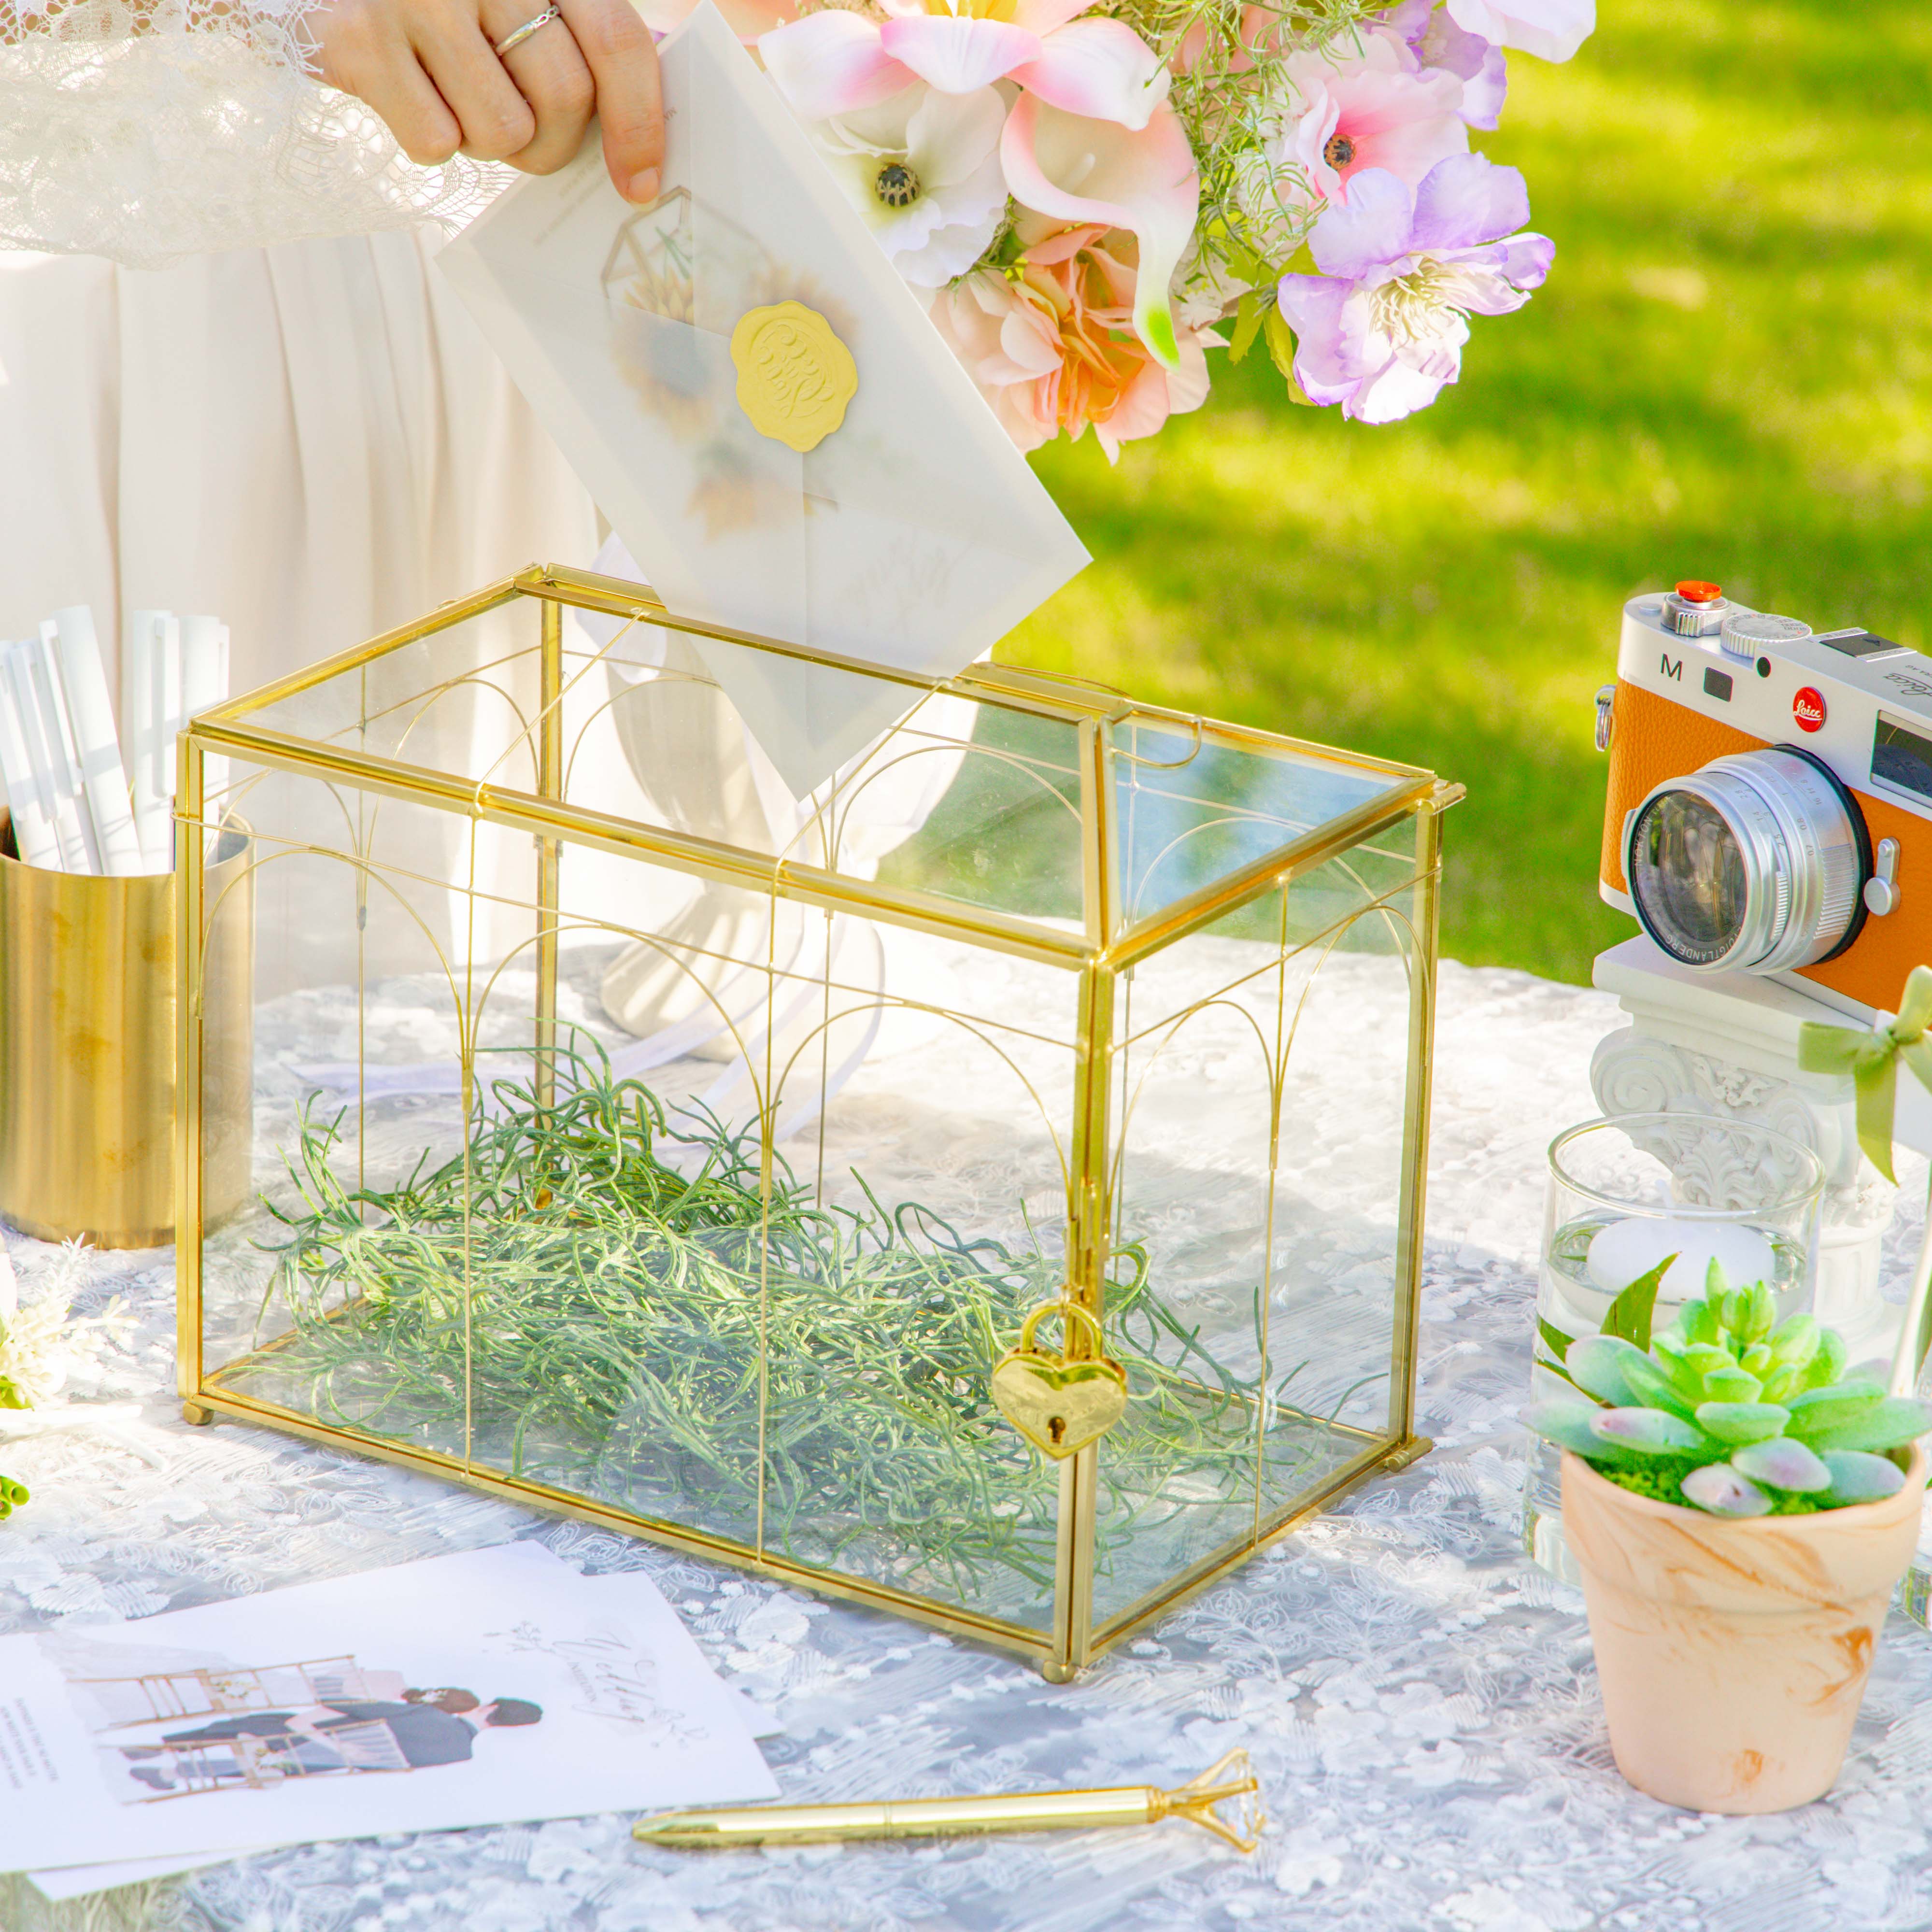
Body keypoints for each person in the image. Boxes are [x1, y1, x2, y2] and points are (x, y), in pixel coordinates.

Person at [122, 1691, 542, 1789]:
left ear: (490, 1707)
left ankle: (162, 1749)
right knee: (274, 1758)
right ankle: (170, 1773)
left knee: (263, 1722)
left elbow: (350, 1706)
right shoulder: (460, 1754)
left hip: (307, 1741)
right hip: (321, 1764)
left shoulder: (430, 1714)